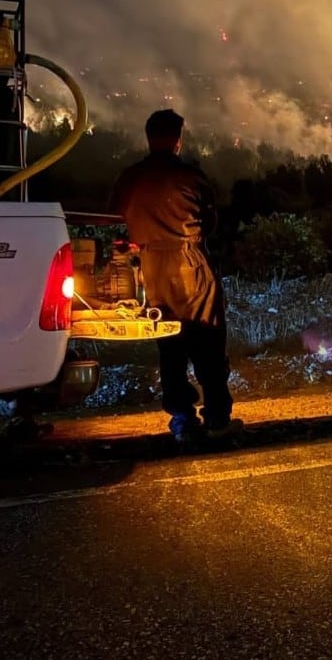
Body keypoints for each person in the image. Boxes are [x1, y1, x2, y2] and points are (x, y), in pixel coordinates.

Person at [110, 109, 240, 446]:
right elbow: (210, 222)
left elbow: (115, 217)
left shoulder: (130, 178)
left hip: (150, 269)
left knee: (169, 344)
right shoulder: (190, 177)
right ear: (178, 140)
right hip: (190, 264)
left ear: (149, 138)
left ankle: (182, 420)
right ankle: (217, 419)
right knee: (208, 340)